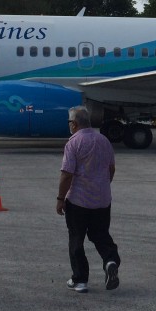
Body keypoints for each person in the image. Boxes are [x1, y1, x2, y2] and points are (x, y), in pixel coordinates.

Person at [56, 105, 120, 293]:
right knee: (100, 235)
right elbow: (111, 169)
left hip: (78, 201)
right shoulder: (104, 140)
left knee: (76, 238)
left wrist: (60, 198)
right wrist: (102, 186)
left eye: (69, 122)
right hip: (102, 200)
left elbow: (67, 174)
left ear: (74, 124)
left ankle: (80, 280)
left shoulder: (73, 143)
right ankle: (110, 261)